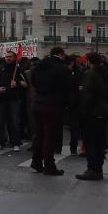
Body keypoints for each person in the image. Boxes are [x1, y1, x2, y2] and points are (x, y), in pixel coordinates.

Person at [29, 46, 71, 175]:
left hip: (38, 102)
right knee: (50, 136)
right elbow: (67, 87)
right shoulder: (62, 68)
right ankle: (49, 165)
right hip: (53, 104)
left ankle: (36, 162)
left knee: (39, 134)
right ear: (61, 54)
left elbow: (34, 83)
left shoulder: (38, 67)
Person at [76, 53, 108, 180]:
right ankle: (98, 168)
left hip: (93, 112)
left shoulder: (89, 74)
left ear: (88, 62)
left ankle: (92, 169)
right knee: (100, 141)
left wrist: (83, 111)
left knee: (90, 141)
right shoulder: (107, 73)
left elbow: (87, 96)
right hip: (104, 110)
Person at [0, 50, 27, 152]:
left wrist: (18, 83)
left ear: (14, 58)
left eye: (10, 56)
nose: (8, 58)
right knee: (0, 123)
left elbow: (26, 85)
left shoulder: (19, 70)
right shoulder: (0, 69)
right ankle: (0, 142)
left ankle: (16, 143)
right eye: (7, 56)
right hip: (1, 100)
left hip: (14, 100)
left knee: (15, 122)